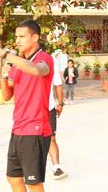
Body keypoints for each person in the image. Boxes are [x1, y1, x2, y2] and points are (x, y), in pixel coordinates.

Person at [0, 20, 54, 192]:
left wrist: (5, 54)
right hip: (18, 128)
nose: (18, 40)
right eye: (16, 37)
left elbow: (37, 70)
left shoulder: (44, 59)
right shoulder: (18, 63)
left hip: (35, 129)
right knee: (13, 178)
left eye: (22, 36)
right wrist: (5, 75)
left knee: (34, 184)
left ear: (35, 37)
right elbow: (6, 96)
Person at [48, 52, 67, 180]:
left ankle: (56, 168)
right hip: (30, 111)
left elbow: (57, 83)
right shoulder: (22, 59)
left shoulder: (50, 60)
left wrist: (60, 103)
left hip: (48, 108)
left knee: (51, 139)